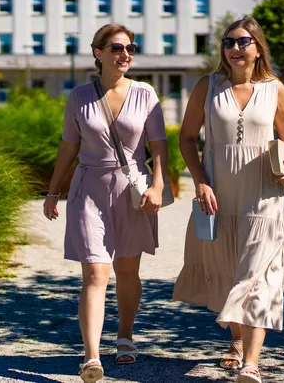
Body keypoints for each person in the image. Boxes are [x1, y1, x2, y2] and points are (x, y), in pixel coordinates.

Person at [172, 16, 284, 383]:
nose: (234, 48)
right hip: (218, 197)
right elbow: (187, 138)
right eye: (228, 42)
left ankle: (251, 362)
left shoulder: (274, 89)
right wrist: (200, 182)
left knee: (257, 275)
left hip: (263, 197)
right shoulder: (207, 86)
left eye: (243, 41)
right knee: (230, 271)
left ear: (258, 48)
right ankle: (236, 339)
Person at [43, 23, 169, 383]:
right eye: (116, 48)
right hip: (89, 189)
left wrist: (158, 186)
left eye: (130, 48)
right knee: (95, 272)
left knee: (127, 270)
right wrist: (53, 191)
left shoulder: (145, 94)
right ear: (98, 53)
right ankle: (92, 357)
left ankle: (125, 336)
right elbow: (69, 145)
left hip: (132, 189)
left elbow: (159, 145)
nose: (124, 54)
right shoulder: (79, 96)